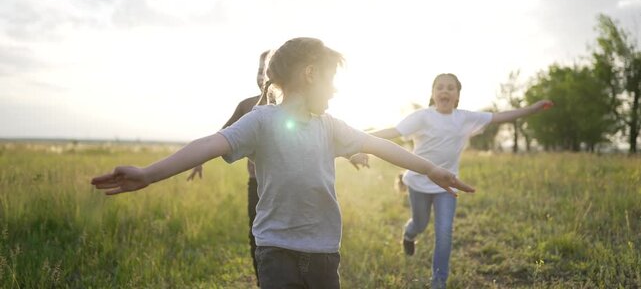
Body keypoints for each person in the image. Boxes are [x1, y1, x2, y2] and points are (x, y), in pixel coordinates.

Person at [90, 39, 475, 289]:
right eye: (330, 80)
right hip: (275, 250)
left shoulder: (330, 127)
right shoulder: (261, 121)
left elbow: (379, 146)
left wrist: (430, 169)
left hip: (324, 251)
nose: (335, 89)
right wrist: (147, 174)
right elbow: (209, 144)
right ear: (309, 75)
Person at [351, 73, 552, 289]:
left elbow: (500, 116)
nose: (445, 91)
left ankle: (439, 283)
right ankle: (409, 236)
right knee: (420, 223)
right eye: (440, 87)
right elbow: (392, 131)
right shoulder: (422, 117)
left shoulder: (464, 118)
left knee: (444, 232)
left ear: (457, 96)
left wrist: (533, 108)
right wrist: (353, 140)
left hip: (446, 185)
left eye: (450, 88)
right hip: (418, 183)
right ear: (432, 94)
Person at [186, 49, 271, 286]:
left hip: (284, 185)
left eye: (267, 70)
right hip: (256, 184)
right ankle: (263, 281)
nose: (262, 75)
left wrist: (351, 154)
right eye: (259, 70)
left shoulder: (291, 109)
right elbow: (221, 136)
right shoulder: (246, 106)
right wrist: (198, 159)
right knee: (256, 235)